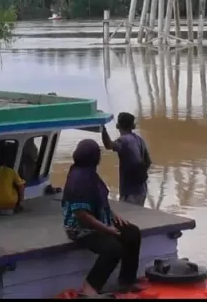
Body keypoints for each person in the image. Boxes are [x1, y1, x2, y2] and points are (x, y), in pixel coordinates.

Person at [63, 139, 142, 296]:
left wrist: (113, 215)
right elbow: (81, 215)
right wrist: (107, 229)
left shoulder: (88, 172)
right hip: (81, 228)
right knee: (113, 248)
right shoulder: (79, 179)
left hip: (100, 219)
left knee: (132, 233)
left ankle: (126, 281)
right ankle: (90, 286)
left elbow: (98, 200)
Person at [100, 112, 152, 206]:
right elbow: (148, 162)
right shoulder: (139, 139)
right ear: (133, 126)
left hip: (129, 191)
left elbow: (108, 145)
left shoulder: (123, 141)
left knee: (128, 218)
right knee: (138, 216)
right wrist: (140, 174)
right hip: (142, 189)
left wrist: (103, 128)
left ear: (117, 125)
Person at [0, 144, 25, 215]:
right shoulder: (11, 171)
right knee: (19, 184)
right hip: (11, 202)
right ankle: (17, 205)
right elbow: (21, 186)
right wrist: (21, 201)